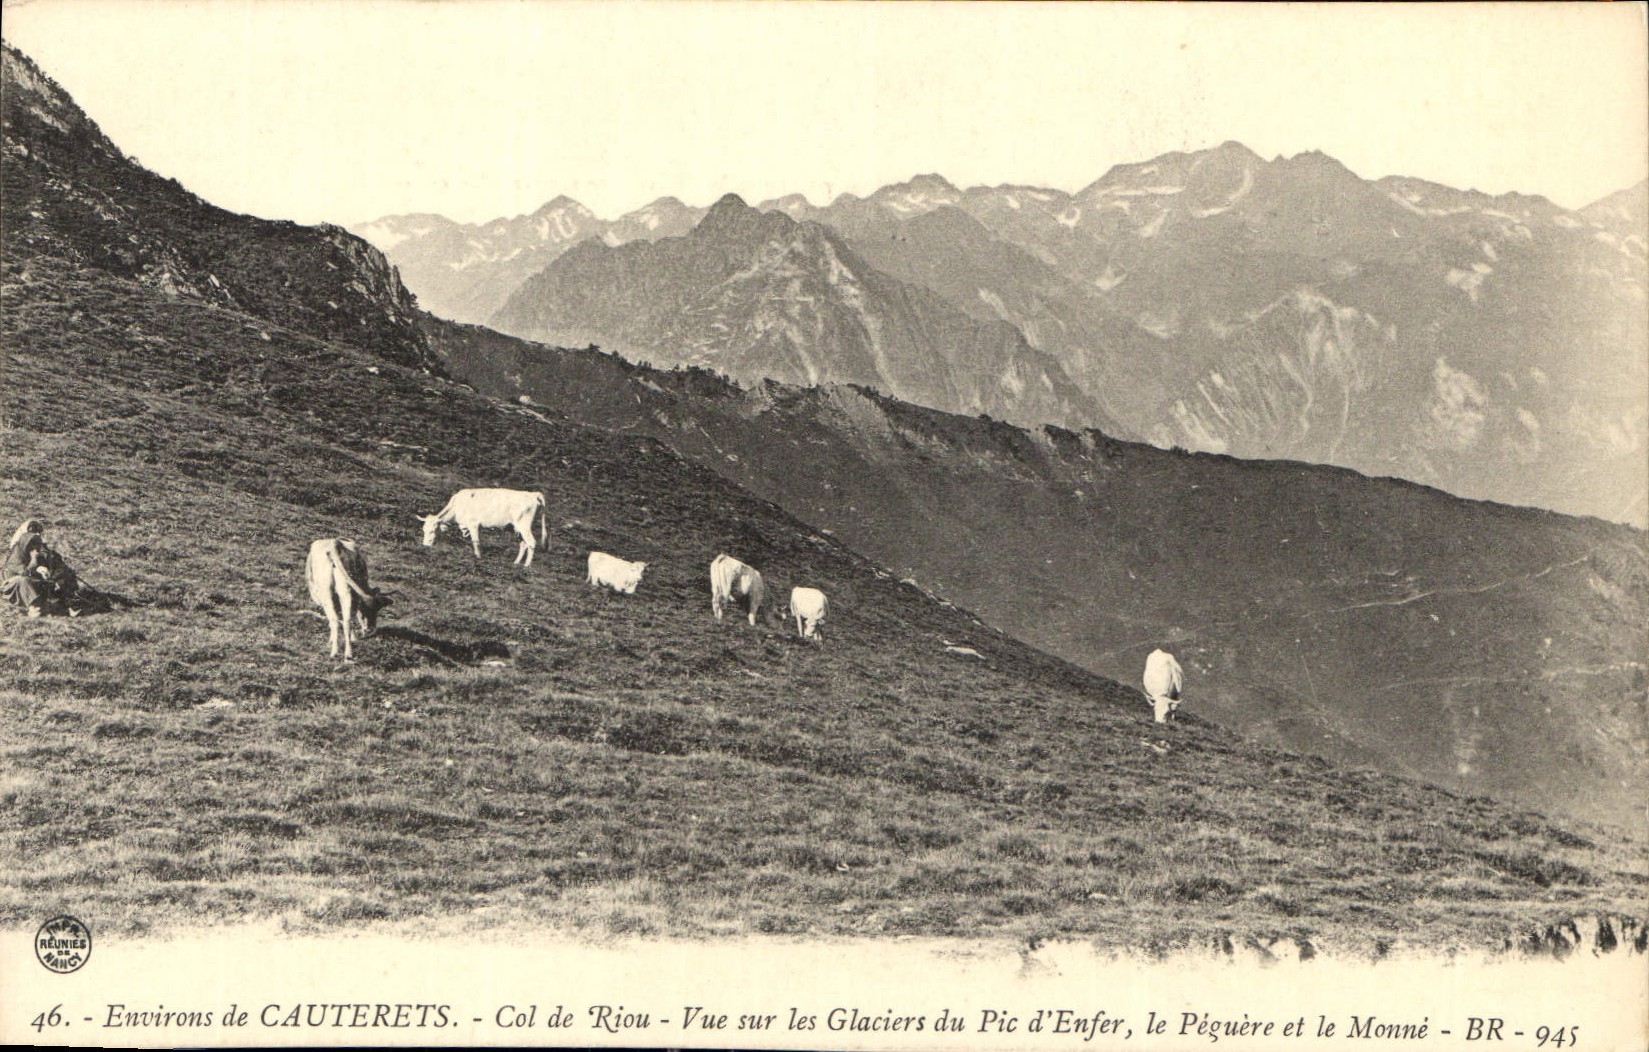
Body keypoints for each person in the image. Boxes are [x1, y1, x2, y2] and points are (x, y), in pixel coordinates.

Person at [3, 520, 86, 617]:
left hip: (33, 581)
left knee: (62, 577)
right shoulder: (16, 554)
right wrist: (34, 561)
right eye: (33, 531)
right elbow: (24, 573)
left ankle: (68, 606)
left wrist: (54, 578)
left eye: (39, 532)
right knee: (23, 580)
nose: (37, 534)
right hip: (14, 585)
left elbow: (58, 566)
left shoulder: (41, 551)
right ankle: (34, 608)